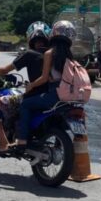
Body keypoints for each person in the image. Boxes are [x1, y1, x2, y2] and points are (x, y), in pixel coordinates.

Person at [0, 21, 51, 157]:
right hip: (51, 97)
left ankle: (3, 143)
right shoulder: (53, 54)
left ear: (30, 38)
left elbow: (6, 70)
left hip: (33, 97)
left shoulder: (30, 54)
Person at [11, 20, 76, 151]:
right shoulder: (70, 56)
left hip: (54, 95)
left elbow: (44, 78)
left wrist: (31, 85)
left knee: (25, 104)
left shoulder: (50, 53)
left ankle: (22, 140)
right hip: (70, 97)